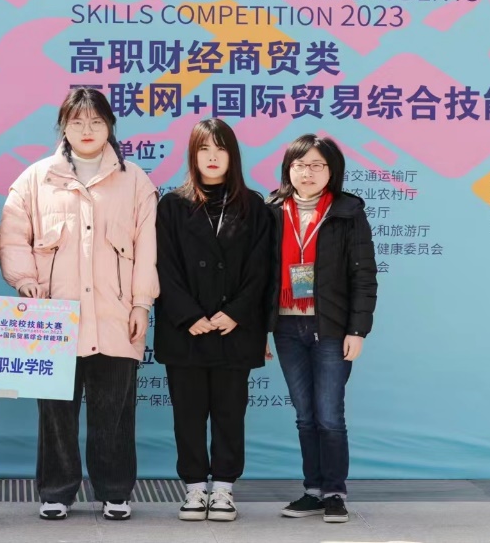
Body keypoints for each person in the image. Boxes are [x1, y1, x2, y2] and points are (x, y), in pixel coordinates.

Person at [0, 87, 159, 522]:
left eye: (96, 121)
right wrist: (25, 281)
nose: (86, 130)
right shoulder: (36, 178)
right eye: (77, 121)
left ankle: (115, 491)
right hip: (54, 317)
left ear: (109, 126)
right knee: (56, 412)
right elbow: (13, 236)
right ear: (63, 127)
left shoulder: (134, 180)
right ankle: (56, 490)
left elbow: (147, 248)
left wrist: (141, 304)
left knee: (115, 412)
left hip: (116, 315)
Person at [155, 118, 271, 522]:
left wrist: (235, 312)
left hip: (234, 329)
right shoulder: (172, 204)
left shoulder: (254, 205)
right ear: (193, 154)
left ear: (232, 155)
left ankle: (223, 488)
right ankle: (193, 488)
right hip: (185, 329)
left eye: (220, 149)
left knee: (229, 412)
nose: (212, 157)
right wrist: (189, 314)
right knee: (187, 414)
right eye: (204, 149)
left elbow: (261, 268)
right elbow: (163, 266)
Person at [267, 134, 378, 524]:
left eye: (317, 165)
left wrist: (357, 330)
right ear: (288, 170)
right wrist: (260, 330)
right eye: (300, 165)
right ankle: (312, 491)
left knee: (329, 414)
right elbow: (259, 275)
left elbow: (364, 277)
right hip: (286, 326)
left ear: (333, 171)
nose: (307, 173)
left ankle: (334, 492)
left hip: (330, 328)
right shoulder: (272, 210)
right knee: (304, 415)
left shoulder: (348, 213)